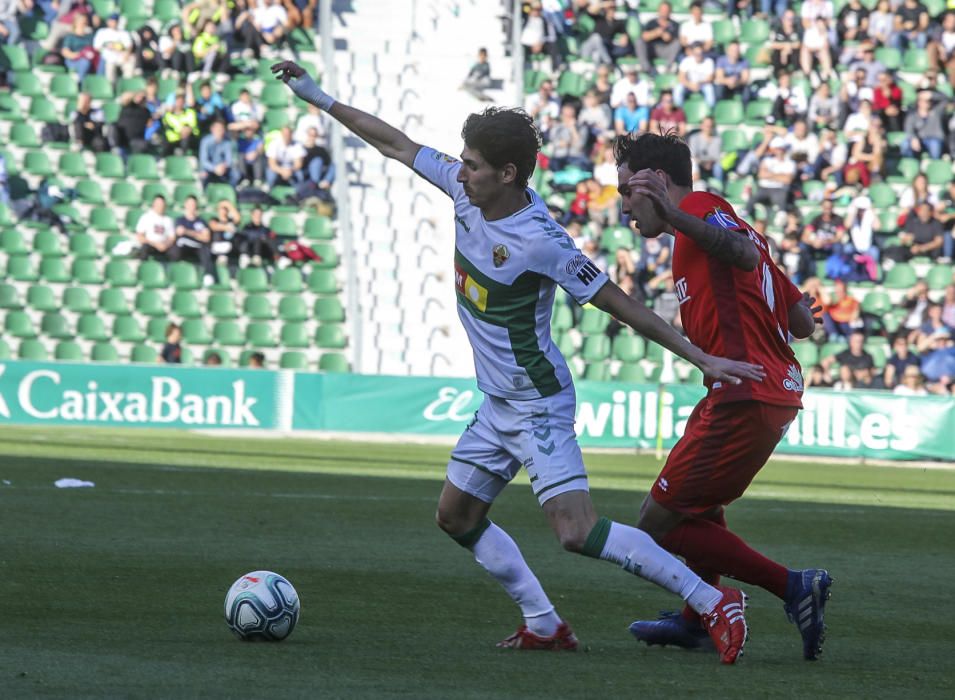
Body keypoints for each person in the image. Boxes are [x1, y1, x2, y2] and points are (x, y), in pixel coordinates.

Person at [272, 58, 761, 662]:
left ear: (507, 173)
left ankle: (715, 603)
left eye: (473, 164)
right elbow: (395, 144)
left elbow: (617, 302)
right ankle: (545, 624)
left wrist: (698, 357)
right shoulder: (461, 186)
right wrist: (317, 96)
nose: (461, 171)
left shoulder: (542, 240)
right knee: (455, 516)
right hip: (498, 401)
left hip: (537, 403)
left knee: (576, 532)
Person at [615, 132, 832, 661]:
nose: (625, 208)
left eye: (628, 191)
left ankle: (792, 585)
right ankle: (694, 621)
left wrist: (675, 214)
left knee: (656, 524)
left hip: (745, 392)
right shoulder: (738, 229)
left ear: (658, 182)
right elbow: (802, 322)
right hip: (760, 389)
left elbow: (731, 249)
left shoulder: (703, 213)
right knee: (700, 506)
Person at [172, 195, 216, 285]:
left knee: (205, 249)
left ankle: (208, 275)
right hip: (184, 247)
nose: (192, 206)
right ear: (185, 205)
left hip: (197, 247)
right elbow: (179, 232)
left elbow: (206, 237)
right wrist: (198, 234)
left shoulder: (201, 221)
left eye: (193, 204)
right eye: (190, 204)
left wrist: (187, 232)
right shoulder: (180, 220)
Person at [637, 1, 681, 75]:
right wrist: (656, 33)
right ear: (658, 11)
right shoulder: (651, 23)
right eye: (663, 10)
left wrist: (664, 34)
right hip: (652, 49)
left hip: (666, 49)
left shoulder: (674, 24)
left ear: (670, 12)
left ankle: (668, 68)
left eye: (666, 10)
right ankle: (646, 68)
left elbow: (672, 39)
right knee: (639, 41)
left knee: (677, 43)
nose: (664, 12)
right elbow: (644, 36)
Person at [674, 42, 716, 109]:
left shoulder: (709, 62)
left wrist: (699, 83)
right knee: (678, 88)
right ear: (693, 53)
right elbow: (681, 77)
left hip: (703, 84)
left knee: (709, 89)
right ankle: (679, 109)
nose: (698, 55)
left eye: (700, 53)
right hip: (689, 84)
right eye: (696, 54)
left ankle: (710, 110)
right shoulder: (686, 61)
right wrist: (689, 84)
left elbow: (710, 78)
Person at [135, 194, 177, 262]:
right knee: (144, 248)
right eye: (158, 204)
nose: (160, 206)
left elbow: (172, 237)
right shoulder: (146, 217)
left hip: (164, 245)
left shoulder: (168, 220)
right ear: (153, 205)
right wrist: (155, 244)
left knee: (176, 251)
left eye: (162, 204)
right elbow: (140, 236)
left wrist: (165, 244)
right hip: (151, 245)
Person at [198, 120, 235, 188]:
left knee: (235, 174)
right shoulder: (205, 141)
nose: (220, 132)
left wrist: (223, 166)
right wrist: (214, 168)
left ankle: (230, 194)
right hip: (209, 168)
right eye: (218, 130)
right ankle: (205, 195)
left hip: (223, 168)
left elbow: (229, 160)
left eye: (222, 129)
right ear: (212, 130)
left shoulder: (227, 142)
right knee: (203, 175)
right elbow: (203, 161)